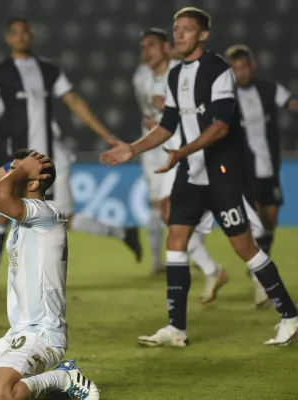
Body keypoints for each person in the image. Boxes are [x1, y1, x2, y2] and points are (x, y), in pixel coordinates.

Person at [101, 7, 298, 346]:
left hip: (222, 173)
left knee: (245, 247)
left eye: (187, 29)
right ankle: (176, 328)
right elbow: (167, 125)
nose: (178, 34)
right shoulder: (176, 76)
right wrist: (133, 149)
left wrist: (182, 152)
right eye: (176, 28)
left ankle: (290, 316)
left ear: (203, 35)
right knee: (175, 241)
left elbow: (221, 126)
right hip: (191, 173)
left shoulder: (219, 71)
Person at [0, 18, 142, 295]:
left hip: (50, 159)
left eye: (26, 32)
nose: (22, 37)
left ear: (32, 36)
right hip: (15, 158)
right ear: (8, 38)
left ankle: (45, 275)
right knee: (5, 211)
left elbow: (74, 101)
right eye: (16, 32)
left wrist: (107, 136)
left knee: (58, 218)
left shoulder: (49, 70)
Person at [0, 150, 99, 400]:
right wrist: (12, 166)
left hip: (43, 333)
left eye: (18, 174)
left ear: (32, 184)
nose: (9, 177)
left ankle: (63, 377)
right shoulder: (21, 215)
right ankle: (40, 380)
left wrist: (20, 170)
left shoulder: (46, 214)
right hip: (18, 332)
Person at [133, 28, 228, 303]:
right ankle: (212, 269)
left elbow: (200, 104)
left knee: (174, 213)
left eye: (151, 46)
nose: (146, 52)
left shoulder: (182, 70)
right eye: (143, 48)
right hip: (167, 151)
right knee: (169, 215)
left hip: (188, 148)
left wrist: (166, 111)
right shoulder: (147, 79)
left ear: (166, 47)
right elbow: (156, 115)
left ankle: (229, 270)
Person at [226, 44, 298, 256]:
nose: (240, 73)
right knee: (254, 211)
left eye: (243, 67)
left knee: (271, 216)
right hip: (244, 164)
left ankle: (263, 251)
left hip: (269, 163)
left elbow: (291, 104)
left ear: (253, 66)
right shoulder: (226, 97)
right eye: (235, 69)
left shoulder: (270, 89)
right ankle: (259, 261)